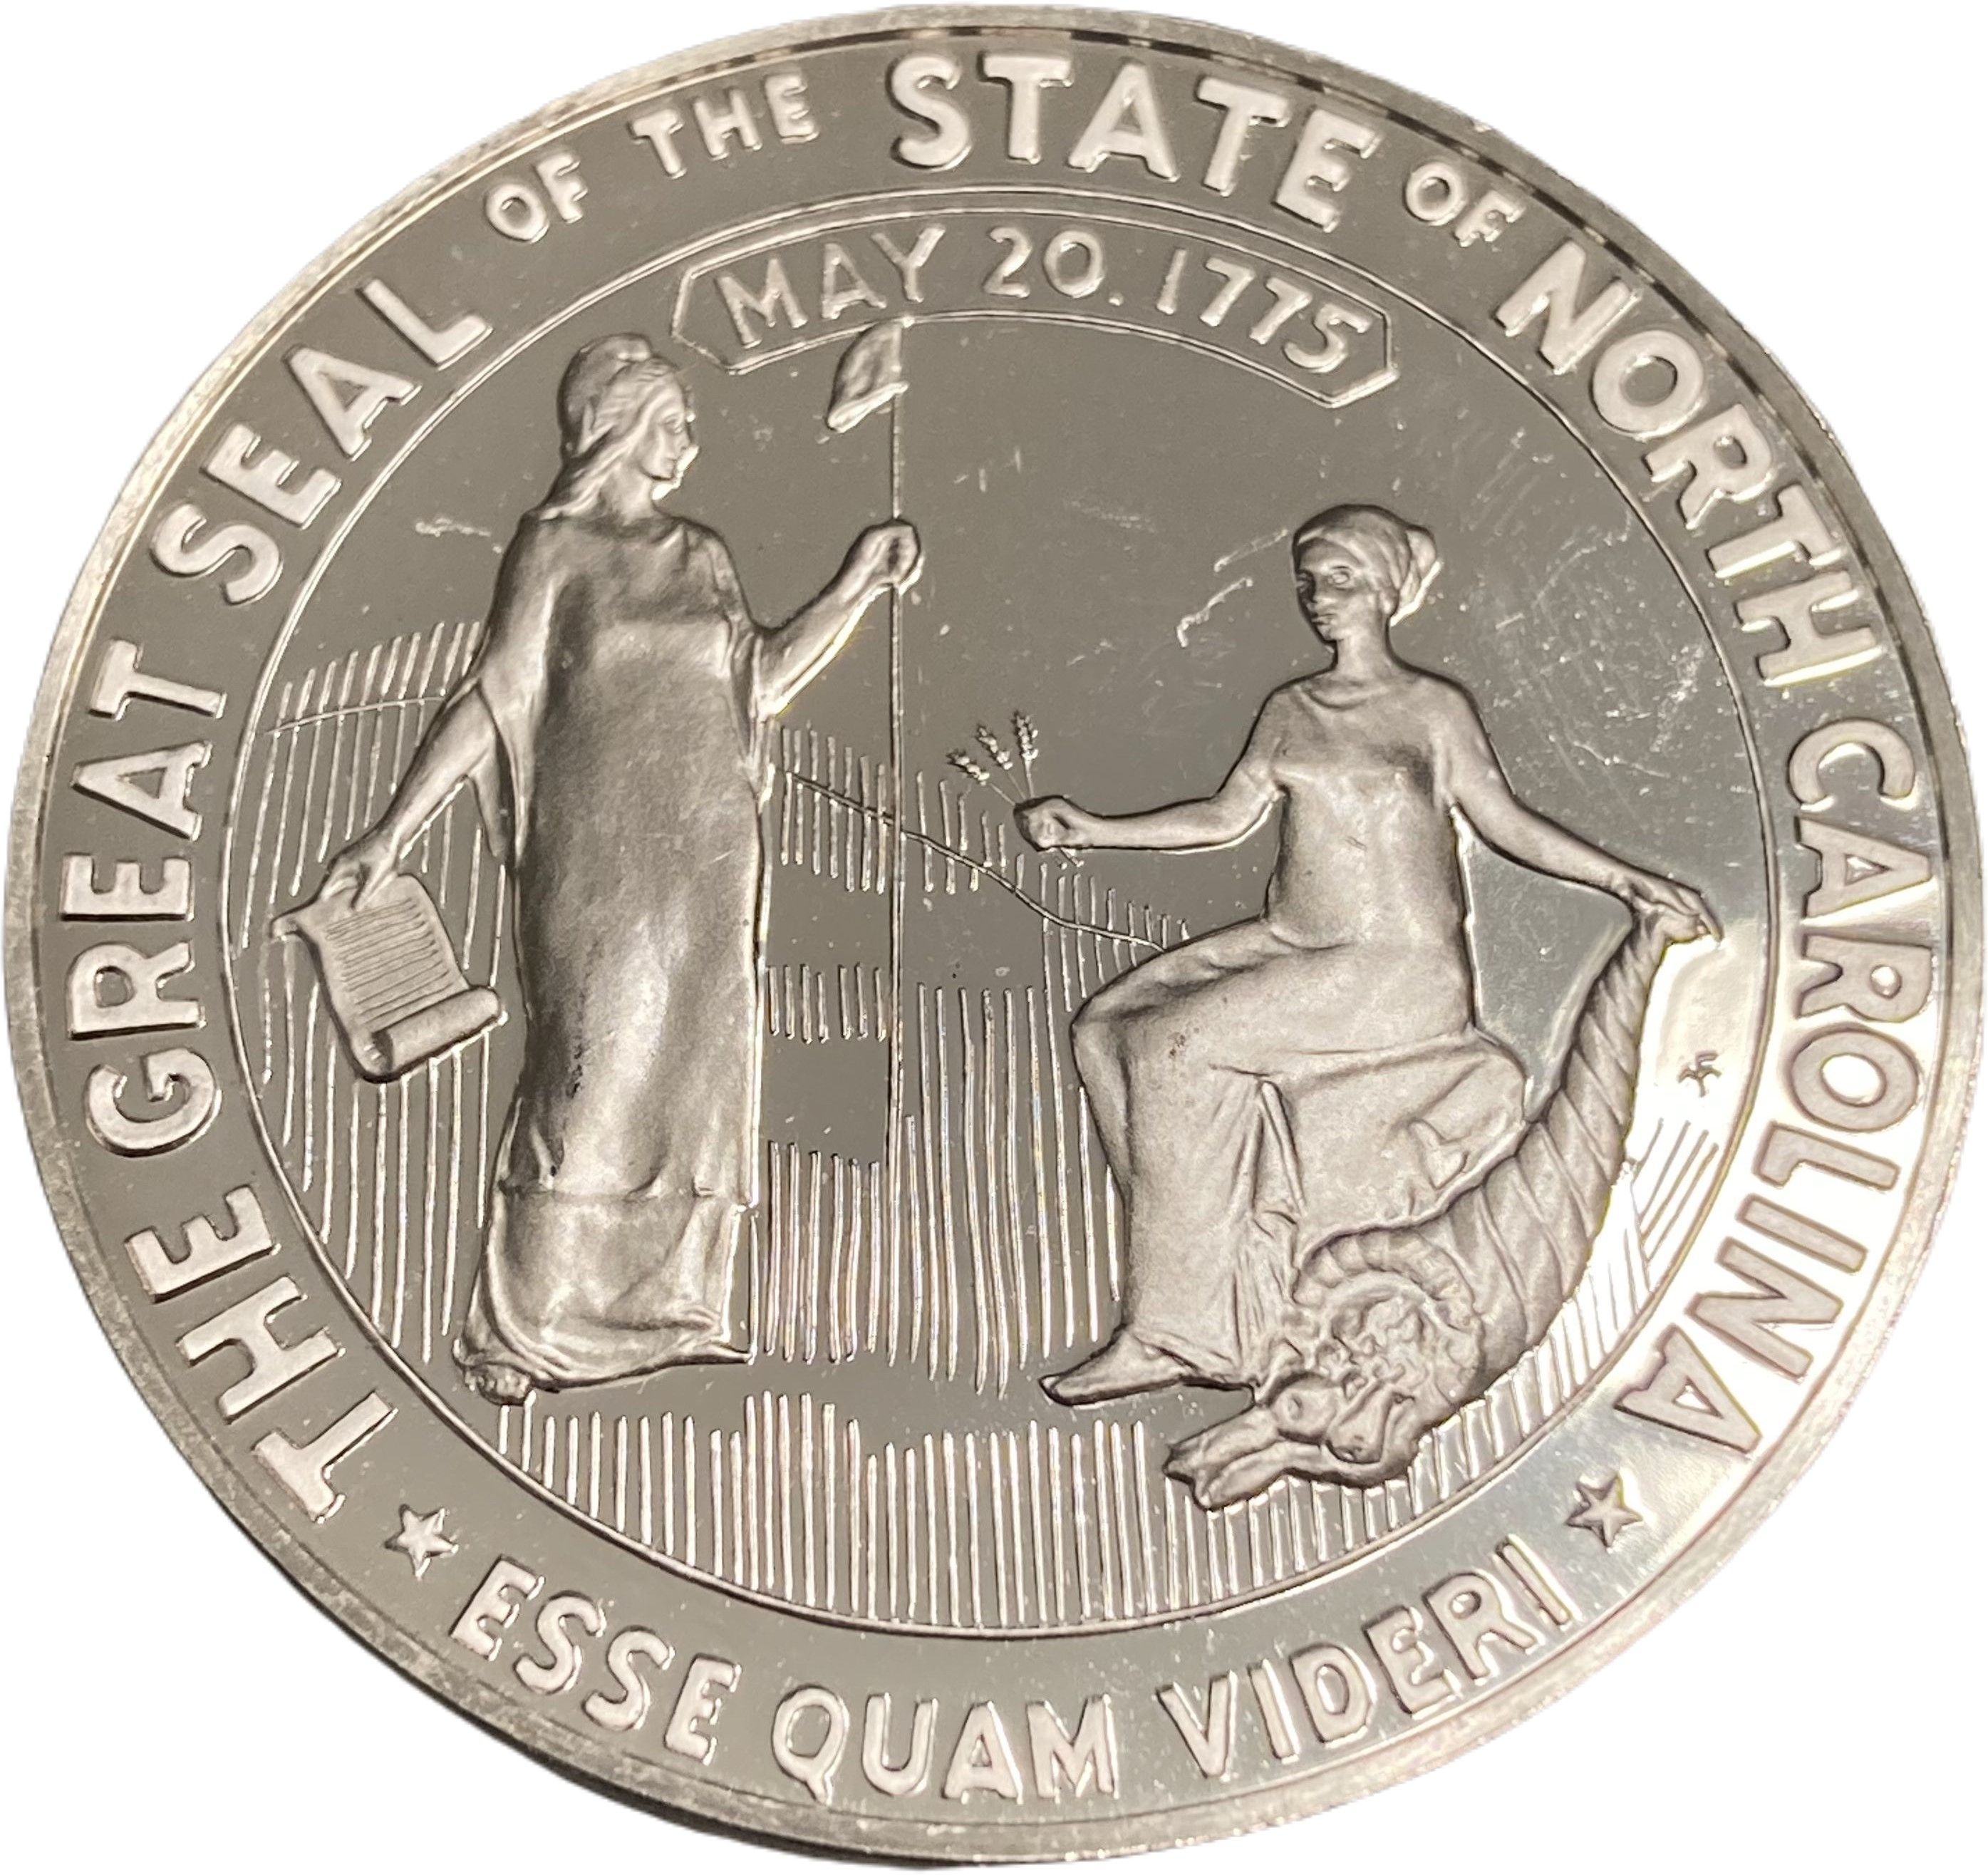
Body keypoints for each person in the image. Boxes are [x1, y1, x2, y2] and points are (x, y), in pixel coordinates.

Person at [323, 334, 921, 1403]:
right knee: (587, 1072)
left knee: (693, 1072)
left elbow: (760, 683)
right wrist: (392, 832)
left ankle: (668, 1309)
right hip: (592, 853)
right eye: (672, 421)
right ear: (621, 426)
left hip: (708, 850)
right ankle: (522, 1327)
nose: (689, 440)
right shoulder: (554, 547)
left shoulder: (701, 555)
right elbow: (495, 699)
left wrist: (856, 584)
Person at [1017, 503, 1711, 1405]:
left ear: (1385, 590)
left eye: (1341, 580)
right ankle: (1217, 1276)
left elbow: (1505, 824)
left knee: (1169, 1050)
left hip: (1394, 968)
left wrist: (1626, 880)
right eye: (1310, 582)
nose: (1320, 598)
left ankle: (1176, 1337)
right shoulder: (1291, 710)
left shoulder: (1432, 709)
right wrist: (1093, 829)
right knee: (1106, 1028)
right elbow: (1225, 818)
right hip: (1298, 944)